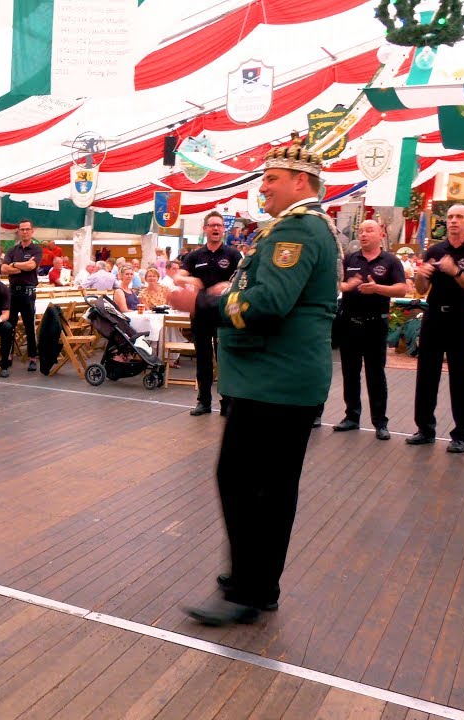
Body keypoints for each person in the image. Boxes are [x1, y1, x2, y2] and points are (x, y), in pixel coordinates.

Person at [186, 143, 338, 627]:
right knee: (264, 486)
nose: (263, 185)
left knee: (247, 483)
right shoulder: (300, 228)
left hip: (274, 382)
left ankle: (247, 589)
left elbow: (269, 303)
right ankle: (256, 583)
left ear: (301, 181)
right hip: (276, 380)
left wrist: (207, 305)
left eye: (272, 177)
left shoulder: (297, 229)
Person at [406, 204, 464, 452]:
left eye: (459, 217)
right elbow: (420, 289)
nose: (453, 221)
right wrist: (421, 274)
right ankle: (425, 429)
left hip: (461, 317)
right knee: (426, 375)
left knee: (460, 377)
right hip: (434, 315)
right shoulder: (435, 249)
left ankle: (460, 434)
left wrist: (455, 272)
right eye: (450, 217)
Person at [332, 219, 408, 440]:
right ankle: (351, 416)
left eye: (369, 230)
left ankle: (380, 422)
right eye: (361, 231)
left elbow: (402, 289)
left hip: (376, 323)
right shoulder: (350, 259)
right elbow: (336, 283)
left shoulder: (391, 261)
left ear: (380, 234)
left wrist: (377, 288)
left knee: (376, 373)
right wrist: (346, 286)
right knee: (350, 372)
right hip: (350, 323)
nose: (364, 234)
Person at [181, 212, 242, 416]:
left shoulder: (233, 255)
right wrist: (190, 281)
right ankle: (203, 402)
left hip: (225, 314)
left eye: (219, 225)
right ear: (205, 229)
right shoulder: (195, 256)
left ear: (224, 229)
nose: (216, 229)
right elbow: (178, 276)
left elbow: (243, 280)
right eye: (212, 225)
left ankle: (228, 401)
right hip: (201, 314)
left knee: (226, 358)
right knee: (203, 359)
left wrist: (228, 284)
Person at [1, 219, 42, 371]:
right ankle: (8, 355)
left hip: (28, 292)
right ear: (18, 231)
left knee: (29, 327)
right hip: (12, 292)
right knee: (8, 325)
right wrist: (22, 267)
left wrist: (15, 264)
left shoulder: (36, 250)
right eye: (22, 229)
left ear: (32, 231)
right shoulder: (12, 250)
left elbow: (32, 265)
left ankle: (32, 358)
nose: (24, 232)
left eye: (27, 229)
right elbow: (4, 269)